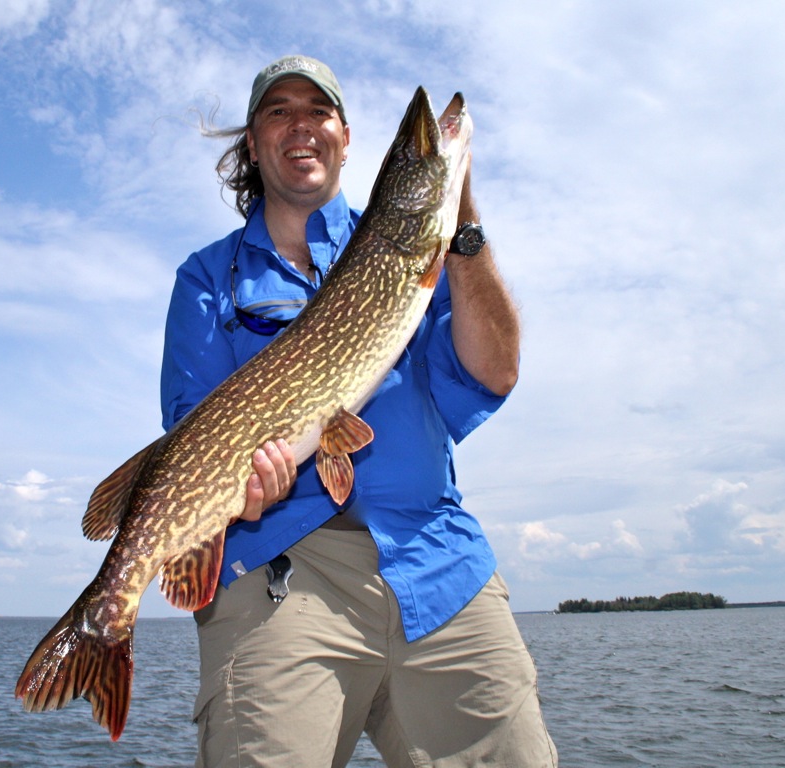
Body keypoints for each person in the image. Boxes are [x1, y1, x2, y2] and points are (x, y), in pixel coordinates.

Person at [160, 55, 558, 768]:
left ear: (345, 137)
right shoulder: (207, 278)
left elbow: (495, 371)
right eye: (278, 112)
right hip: (283, 571)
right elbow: (193, 437)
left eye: (318, 111)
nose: (300, 125)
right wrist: (243, 482)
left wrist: (460, 222)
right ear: (253, 143)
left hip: (435, 557)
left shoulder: (412, 252)